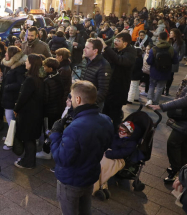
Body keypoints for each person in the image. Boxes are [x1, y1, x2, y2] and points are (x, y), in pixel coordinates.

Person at [51, 80, 114, 214]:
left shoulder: (74, 128)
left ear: (78, 99)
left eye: (72, 97)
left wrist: (55, 134)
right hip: (90, 175)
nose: (71, 100)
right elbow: (107, 145)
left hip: (71, 180)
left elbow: (62, 159)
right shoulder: (106, 120)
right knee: (85, 210)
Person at [150, 83, 187, 183]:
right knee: (182, 145)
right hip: (184, 120)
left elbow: (185, 100)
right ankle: (181, 171)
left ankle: (176, 170)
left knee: (173, 143)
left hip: (184, 122)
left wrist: (162, 106)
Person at [13, 54, 44, 169]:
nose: (25, 63)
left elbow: (23, 97)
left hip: (29, 114)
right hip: (36, 113)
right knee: (30, 138)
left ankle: (28, 162)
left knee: (27, 138)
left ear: (32, 64)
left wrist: (16, 109)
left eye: (27, 61)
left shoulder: (30, 80)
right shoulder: (39, 78)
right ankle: (28, 159)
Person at [101, 33, 136, 130]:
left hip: (120, 88)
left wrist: (106, 47)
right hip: (110, 87)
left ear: (125, 43)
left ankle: (115, 134)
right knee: (105, 112)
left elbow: (119, 60)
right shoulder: (116, 50)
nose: (115, 42)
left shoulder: (131, 52)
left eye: (118, 41)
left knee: (115, 114)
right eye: (115, 40)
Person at [93, 121, 139, 195]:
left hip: (119, 159)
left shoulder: (131, 143)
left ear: (129, 133)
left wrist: (109, 154)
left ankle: (98, 186)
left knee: (102, 167)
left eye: (123, 131)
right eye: (119, 130)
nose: (120, 133)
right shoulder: (116, 136)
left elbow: (122, 153)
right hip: (109, 153)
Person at [0, 46, 27, 150]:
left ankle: (11, 141)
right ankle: (10, 137)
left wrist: (7, 87)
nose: (5, 54)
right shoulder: (10, 66)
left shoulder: (18, 68)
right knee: (10, 119)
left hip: (12, 97)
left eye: (7, 53)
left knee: (11, 120)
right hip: (9, 96)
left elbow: (20, 84)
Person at [36, 57, 64, 160]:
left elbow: (45, 99)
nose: (43, 68)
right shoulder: (58, 76)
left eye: (45, 66)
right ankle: (53, 149)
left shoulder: (47, 81)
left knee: (48, 131)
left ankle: (46, 151)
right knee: (55, 129)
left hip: (49, 111)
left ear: (50, 69)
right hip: (58, 109)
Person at [146, 32, 179, 106]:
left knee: (152, 85)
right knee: (160, 87)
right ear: (167, 38)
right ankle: (156, 102)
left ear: (158, 38)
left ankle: (149, 100)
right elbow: (175, 61)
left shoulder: (154, 49)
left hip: (154, 71)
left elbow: (149, 61)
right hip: (166, 71)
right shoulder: (171, 49)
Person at [79, 38, 111, 109]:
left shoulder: (104, 65)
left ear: (95, 51)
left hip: (92, 105)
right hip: (82, 100)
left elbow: (103, 90)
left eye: (87, 48)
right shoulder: (85, 60)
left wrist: (89, 103)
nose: (84, 49)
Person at [165, 29, 185, 96]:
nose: (170, 34)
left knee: (170, 75)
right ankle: (162, 89)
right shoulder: (168, 41)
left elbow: (182, 53)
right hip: (166, 60)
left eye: (171, 33)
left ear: (175, 34)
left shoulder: (181, 42)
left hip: (174, 61)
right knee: (165, 74)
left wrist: (178, 59)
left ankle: (167, 89)